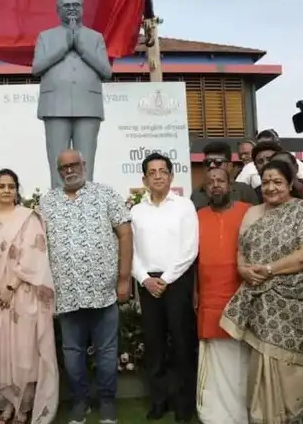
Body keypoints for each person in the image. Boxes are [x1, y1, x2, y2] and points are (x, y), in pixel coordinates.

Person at [221, 160, 303, 424]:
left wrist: (269, 269)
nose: (270, 187)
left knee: (292, 368)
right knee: (263, 362)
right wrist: (242, 268)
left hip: (296, 302)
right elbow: (242, 249)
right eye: (266, 181)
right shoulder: (253, 213)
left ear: (291, 183)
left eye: (277, 182)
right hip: (261, 301)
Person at [38, 149, 132, 424]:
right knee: (72, 354)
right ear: (58, 172)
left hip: (104, 293)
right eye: (63, 167)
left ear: (84, 164)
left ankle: (106, 403)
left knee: (106, 352)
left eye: (73, 165)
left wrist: (124, 278)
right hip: (66, 295)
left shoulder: (105, 194)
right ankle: (79, 402)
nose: (69, 170)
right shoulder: (47, 202)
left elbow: (125, 233)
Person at [0, 169, 59, 424]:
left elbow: (34, 255)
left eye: (11, 186)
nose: (6, 190)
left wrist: (11, 286)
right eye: (1, 186)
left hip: (22, 291)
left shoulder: (28, 218)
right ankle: (5, 407)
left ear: (17, 190)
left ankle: (23, 408)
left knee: (23, 350)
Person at [130, 153, 198, 422]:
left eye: (163, 171)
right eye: (152, 172)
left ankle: (184, 404)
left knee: (182, 344)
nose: (158, 175)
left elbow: (190, 248)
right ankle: (158, 401)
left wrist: (166, 279)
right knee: (154, 345)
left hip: (177, 282)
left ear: (171, 176)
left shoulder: (184, 206)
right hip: (147, 284)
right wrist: (145, 278)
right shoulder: (136, 211)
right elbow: (130, 250)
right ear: (144, 179)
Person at [31, 0, 112, 188]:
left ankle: (87, 205)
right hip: (55, 105)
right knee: (57, 161)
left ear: (82, 9)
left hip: (88, 105)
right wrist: (65, 46)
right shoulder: (46, 37)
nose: (72, 9)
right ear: (58, 10)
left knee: (86, 163)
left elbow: (106, 71)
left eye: (76, 5)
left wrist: (82, 48)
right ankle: (58, 206)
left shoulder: (95, 38)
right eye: (67, 6)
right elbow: (37, 68)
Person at [194, 165, 251, 424]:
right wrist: (195, 291)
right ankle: (218, 413)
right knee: (217, 358)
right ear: (205, 189)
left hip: (242, 295)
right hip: (209, 296)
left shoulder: (248, 212)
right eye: (210, 182)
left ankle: (243, 412)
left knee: (242, 359)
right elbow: (191, 259)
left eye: (220, 180)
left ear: (230, 185)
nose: (216, 185)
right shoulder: (197, 216)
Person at [236, 129, 303, 188]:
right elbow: (237, 190)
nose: (265, 163)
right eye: (260, 161)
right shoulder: (249, 167)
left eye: (270, 146)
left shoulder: (289, 160)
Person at [191, 141, 258, 210]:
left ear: (230, 166)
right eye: (208, 162)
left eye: (218, 162)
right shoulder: (196, 194)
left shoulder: (244, 191)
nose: (212, 165)